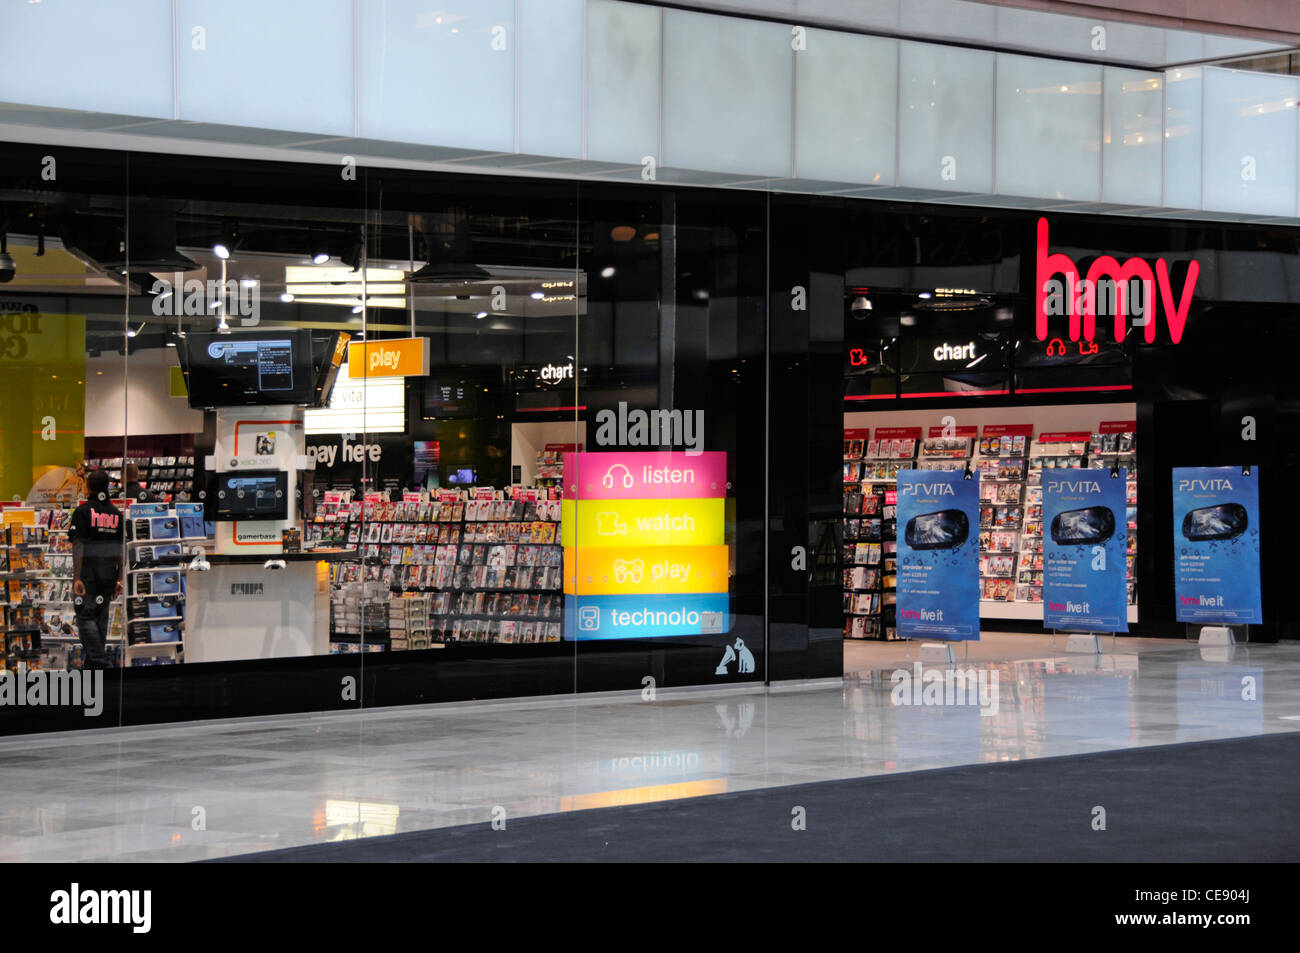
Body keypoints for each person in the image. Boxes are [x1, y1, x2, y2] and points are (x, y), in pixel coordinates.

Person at [68, 469, 124, 669]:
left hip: (89, 575)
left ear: (89, 487)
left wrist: (77, 578)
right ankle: (93, 667)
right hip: (108, 576)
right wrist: (120, 578)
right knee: (100, 619)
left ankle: (101, 661)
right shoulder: (116, 514)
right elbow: (120, 549)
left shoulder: (83, 512)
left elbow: (78, 544)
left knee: (85, 618)